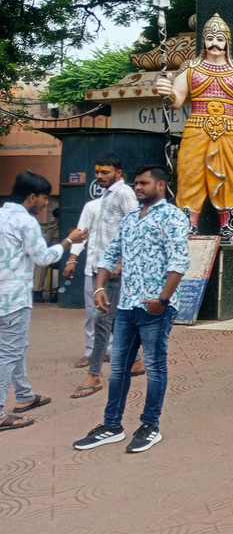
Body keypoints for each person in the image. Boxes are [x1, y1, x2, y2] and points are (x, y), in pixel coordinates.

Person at [73, 166, 190, 453]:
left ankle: (150, 426)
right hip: (125, 306)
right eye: (136, 183)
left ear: (160, 186)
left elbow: (179, 263)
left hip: (155, 309)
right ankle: (112, 425)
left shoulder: (172, 216)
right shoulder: (129, 221)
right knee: (119, 369)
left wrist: (162, 301)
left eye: (144, 183)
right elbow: (108, 255)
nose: (138, 187)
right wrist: (100, 286)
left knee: (154, 367)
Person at [155, 13, 233, 243]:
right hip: (196, 128)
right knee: (189, 177)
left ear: (228, 42)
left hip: (231, 130)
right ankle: (187, 227)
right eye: (210, 38)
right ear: (203, 40)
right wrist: (167, 91)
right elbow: (176, 102)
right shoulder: (190, 67)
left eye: (220, 39)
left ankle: (229, 229)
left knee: (230, 179)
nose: (215, 43)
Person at [0, 172, 86, 432]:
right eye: (44, 198)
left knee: (17, 348)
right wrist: (69, 241)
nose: (46, 204)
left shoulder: (2, 215)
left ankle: (25, 396)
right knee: (8, 353)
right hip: (13, 299)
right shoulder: (25, 222)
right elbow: (43, 257)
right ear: (32, 196)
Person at [71, 154, 142, 399]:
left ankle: (94, 375)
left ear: (119, 173)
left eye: (106, 172)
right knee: (113, 319)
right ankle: (136, 362)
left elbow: (135, 227)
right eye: (98, 172)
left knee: (102, 321)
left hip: (114, 270)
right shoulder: (106, 196)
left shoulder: (124, 194)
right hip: (102, 268)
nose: (100, 176)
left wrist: (121, 262)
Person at [64, 196, 109, 368]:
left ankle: (112, 351)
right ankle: (91, 352)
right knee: (92, 313)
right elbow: (81, 233)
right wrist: (72, 259)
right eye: (98, 172)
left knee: (117, 314)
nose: (100, 176)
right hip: (94, 269)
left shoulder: (128, 204)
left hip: (119, 271)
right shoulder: (92, 206)